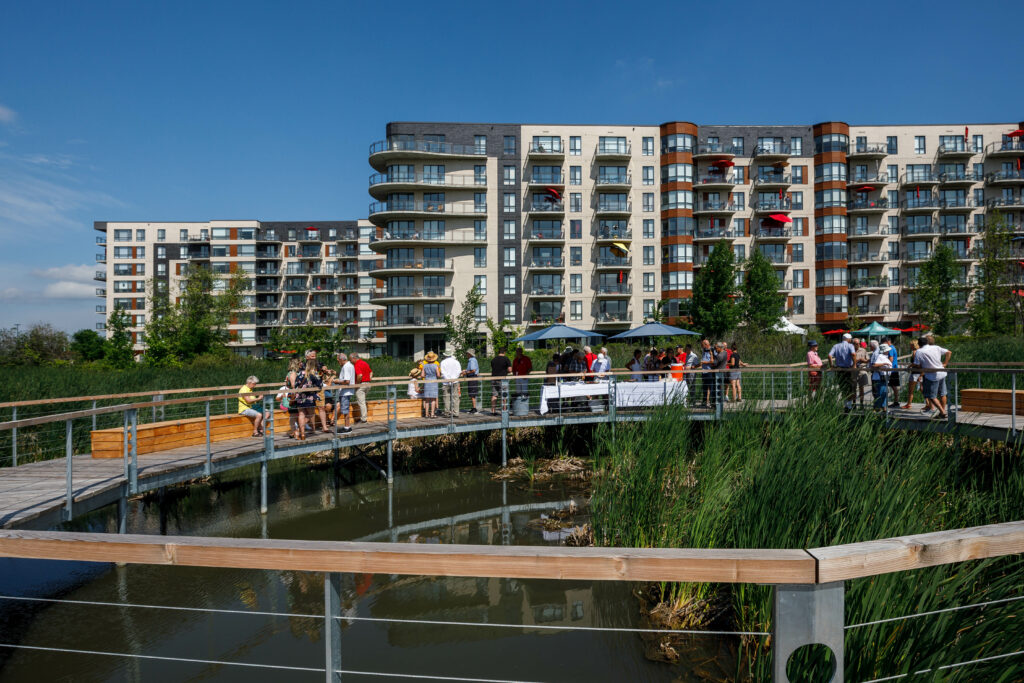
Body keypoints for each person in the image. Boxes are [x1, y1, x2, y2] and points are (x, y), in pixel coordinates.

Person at [914, 335, 952, 419]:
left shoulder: (919, 351)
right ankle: (943, 411)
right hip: (942, 373)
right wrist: (945, 363)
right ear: (927, 342)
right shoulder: (936, 347)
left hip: (932, 376)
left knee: (931, 396)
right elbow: (949, 352)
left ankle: (942, 412)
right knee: (942, 394)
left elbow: (917, 364)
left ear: (919, 344)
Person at [293, 359, 324, 440]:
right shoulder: (313, 374)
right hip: (309, 397)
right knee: (311, 414)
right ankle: (298, 431)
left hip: (300, 397)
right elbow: (320, 385)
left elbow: (295, 385)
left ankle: (302, 434)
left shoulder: (300, 373)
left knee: (301, 414)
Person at [828, 333, 857, 411]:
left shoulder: (836, 346)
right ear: (848, 339)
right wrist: (854, 365)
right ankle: (849, 407)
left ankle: (845, 406)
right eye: (850, 339)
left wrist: (831, 365)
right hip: (848, 369)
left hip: (839, 369)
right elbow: (853, 354)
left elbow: (829, 356)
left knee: (843, 387)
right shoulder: (850, 346)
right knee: (850, 388)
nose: (851, 340)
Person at [333, 352, 355, 433]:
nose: (338, 362)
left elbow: (347, 381)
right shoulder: (350, 365)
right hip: (347, 391)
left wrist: (337, 381)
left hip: (345, 392)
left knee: (345, 410)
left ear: (342, 359)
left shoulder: (346, 366)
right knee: (345, 409)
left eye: (338, 360)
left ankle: (347, 427)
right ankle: (347, 426)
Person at [869, 340, 892, 412]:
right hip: (880, 378)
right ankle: (877, 408)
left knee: (883, 393)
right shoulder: (880, 356)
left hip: (883, 378)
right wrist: (884, 363)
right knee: (881, 393)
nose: (888, 351)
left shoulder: (883, 356)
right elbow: (874, 365)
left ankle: (882, 408)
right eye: (887, 350)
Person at [350, 352, 372, 423]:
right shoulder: (365, 363)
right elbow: (371, 372)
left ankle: (363, 419)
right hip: (368, 384)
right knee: (363, 402)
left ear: (354, 358)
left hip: (361, 385)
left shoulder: (357, 364)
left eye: (351, 359)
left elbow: (360, 375)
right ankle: (363, 417)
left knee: (361, 403)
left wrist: (357, 384)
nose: (350, 361)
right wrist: (368, 379)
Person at [440, 349, 462, 417]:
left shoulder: (443, 362)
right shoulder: (456, 362)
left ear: (445, 355)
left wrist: (448, 379)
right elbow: (459, 371)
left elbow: (443, 372)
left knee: (446, 398)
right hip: (455, 381)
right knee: (455, 397)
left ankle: (447, 412)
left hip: (446, 382)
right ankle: (456, 412)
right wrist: (454, 379)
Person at [284, 357, 303, 436]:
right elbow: (293, 385)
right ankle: (294, 431)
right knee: (293, 414)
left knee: (296, 414)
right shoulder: (293, 373)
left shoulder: (295, 373)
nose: (301, 364)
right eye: (300, 362)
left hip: (296, 395)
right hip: (294, 396)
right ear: (296, 364)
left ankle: (295, 431)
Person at [490, 347, 512, 414]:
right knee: (504, 395)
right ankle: (504, 411)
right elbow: (510, 370)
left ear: (498, 352)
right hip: (502, 380)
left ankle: (493, 411)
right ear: (504, 352)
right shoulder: (506, 359)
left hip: (493, 379)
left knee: (494, 395)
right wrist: (506, 371)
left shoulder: (493, 359)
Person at [420, 351, 441, 418]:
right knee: (433, 399)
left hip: (427, 382)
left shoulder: (425, 366)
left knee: (427, 400)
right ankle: (432, 414)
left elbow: (422, 375)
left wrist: (427, 375)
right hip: (434, 382)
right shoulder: (435, 366)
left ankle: (426, 414)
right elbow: (438, 375)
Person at [903, 339, 921, 409]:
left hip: (915, 373)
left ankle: (909, 404)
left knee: (910, 390)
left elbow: (916, 363)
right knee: (922, 389)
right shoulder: (920, 352)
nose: (910, 346)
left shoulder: (914, 352)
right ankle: (929, 404)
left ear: (914, 345)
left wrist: (909, 366)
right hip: (920, 373)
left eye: (910, 345)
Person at [462, 348, 480, 413]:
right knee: (472, 393)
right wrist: (466, 370)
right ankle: (474, 407)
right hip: (473, 377)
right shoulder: (474, 360)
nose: (466, 355)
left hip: (472, 377)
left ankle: (474, 408)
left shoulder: (471, 360)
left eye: (467, 353)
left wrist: (465, 372)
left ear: (469, 354)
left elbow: (473, 370)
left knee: (472, 393)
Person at [854, 341, 870, 407]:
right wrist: (858, 360)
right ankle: (854, 404)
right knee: (853, 388)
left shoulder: (863, 350)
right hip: (853, 371)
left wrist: (863, 360)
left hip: (861, 370)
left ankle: (861, 403)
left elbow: (868, 360)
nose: (858, 345)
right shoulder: (851, 350)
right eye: (856, 344)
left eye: (859, 343)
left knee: (861, 387)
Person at [700, 339, 714, 406]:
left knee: (710, 387)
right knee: (704, 387)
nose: (701, 346)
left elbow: (712, 361)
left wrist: (704, 362)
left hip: (709, 371)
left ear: (706, 344)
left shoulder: (712, 350)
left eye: (702, 345)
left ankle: (711, 401)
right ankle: (705, 401)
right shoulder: (704, 350)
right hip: (704, 371)